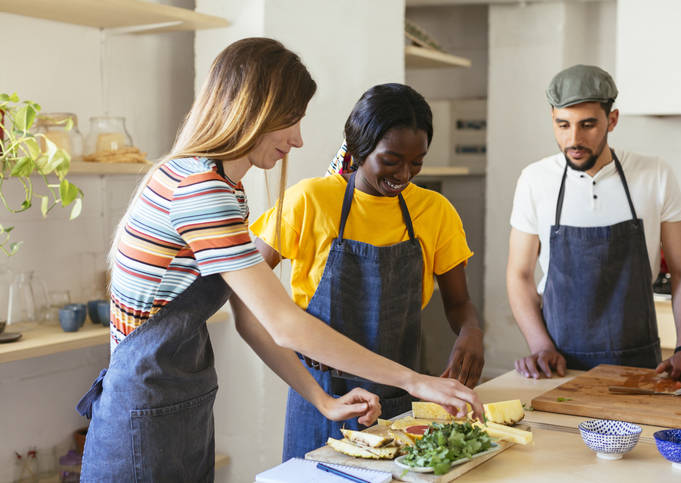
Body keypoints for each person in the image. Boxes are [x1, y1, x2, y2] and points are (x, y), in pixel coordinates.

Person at [75, 39, 483, 481]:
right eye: (290, 120)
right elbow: (283, 322)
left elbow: (252, 319)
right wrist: (416, 381)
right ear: (252, 111)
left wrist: (323, 400)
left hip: (177, 404)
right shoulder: (201, 190)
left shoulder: (221, 187)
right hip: (144, 415)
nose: (298, 138)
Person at [250, 83, 485, 460]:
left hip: (400, 398)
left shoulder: (435, 211)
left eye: (417, 162)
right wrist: (296, 334)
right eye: (391, 161)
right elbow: (250, 291)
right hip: (324, 398)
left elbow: (459, 302)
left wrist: (472, 331)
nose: (405, 175)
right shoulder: (309, 200)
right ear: (359, 150)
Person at [507, 64, 681, 382]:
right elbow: (519, 274)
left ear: (611, 120)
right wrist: (540, 345)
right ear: (552, 118)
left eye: (588, 125)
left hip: (639, 363)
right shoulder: (535, 180)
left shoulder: (654, 173)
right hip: (557, 365)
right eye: (563, 125)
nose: (574, 139)